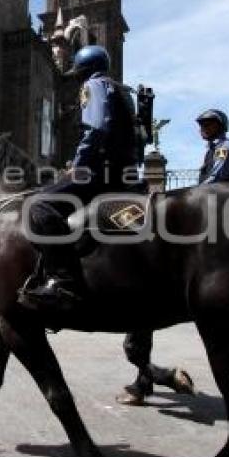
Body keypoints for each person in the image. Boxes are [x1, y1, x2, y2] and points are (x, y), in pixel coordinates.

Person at [117, 109, 229, 405]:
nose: (203, 128)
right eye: (201, 124)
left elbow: (212, 185)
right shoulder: (214, 149)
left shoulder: (226, 148)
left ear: (221, 126)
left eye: (209, 124)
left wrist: (182, 202)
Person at [19, 45, 139, 313]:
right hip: (124, 172)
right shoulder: (123, 91)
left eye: (77, 74)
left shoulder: (94, 86)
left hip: (99, 172)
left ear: (84, 70)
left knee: (39, 205)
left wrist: (78, 165)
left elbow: (95, 130)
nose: (76, 80)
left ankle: (63, 281)